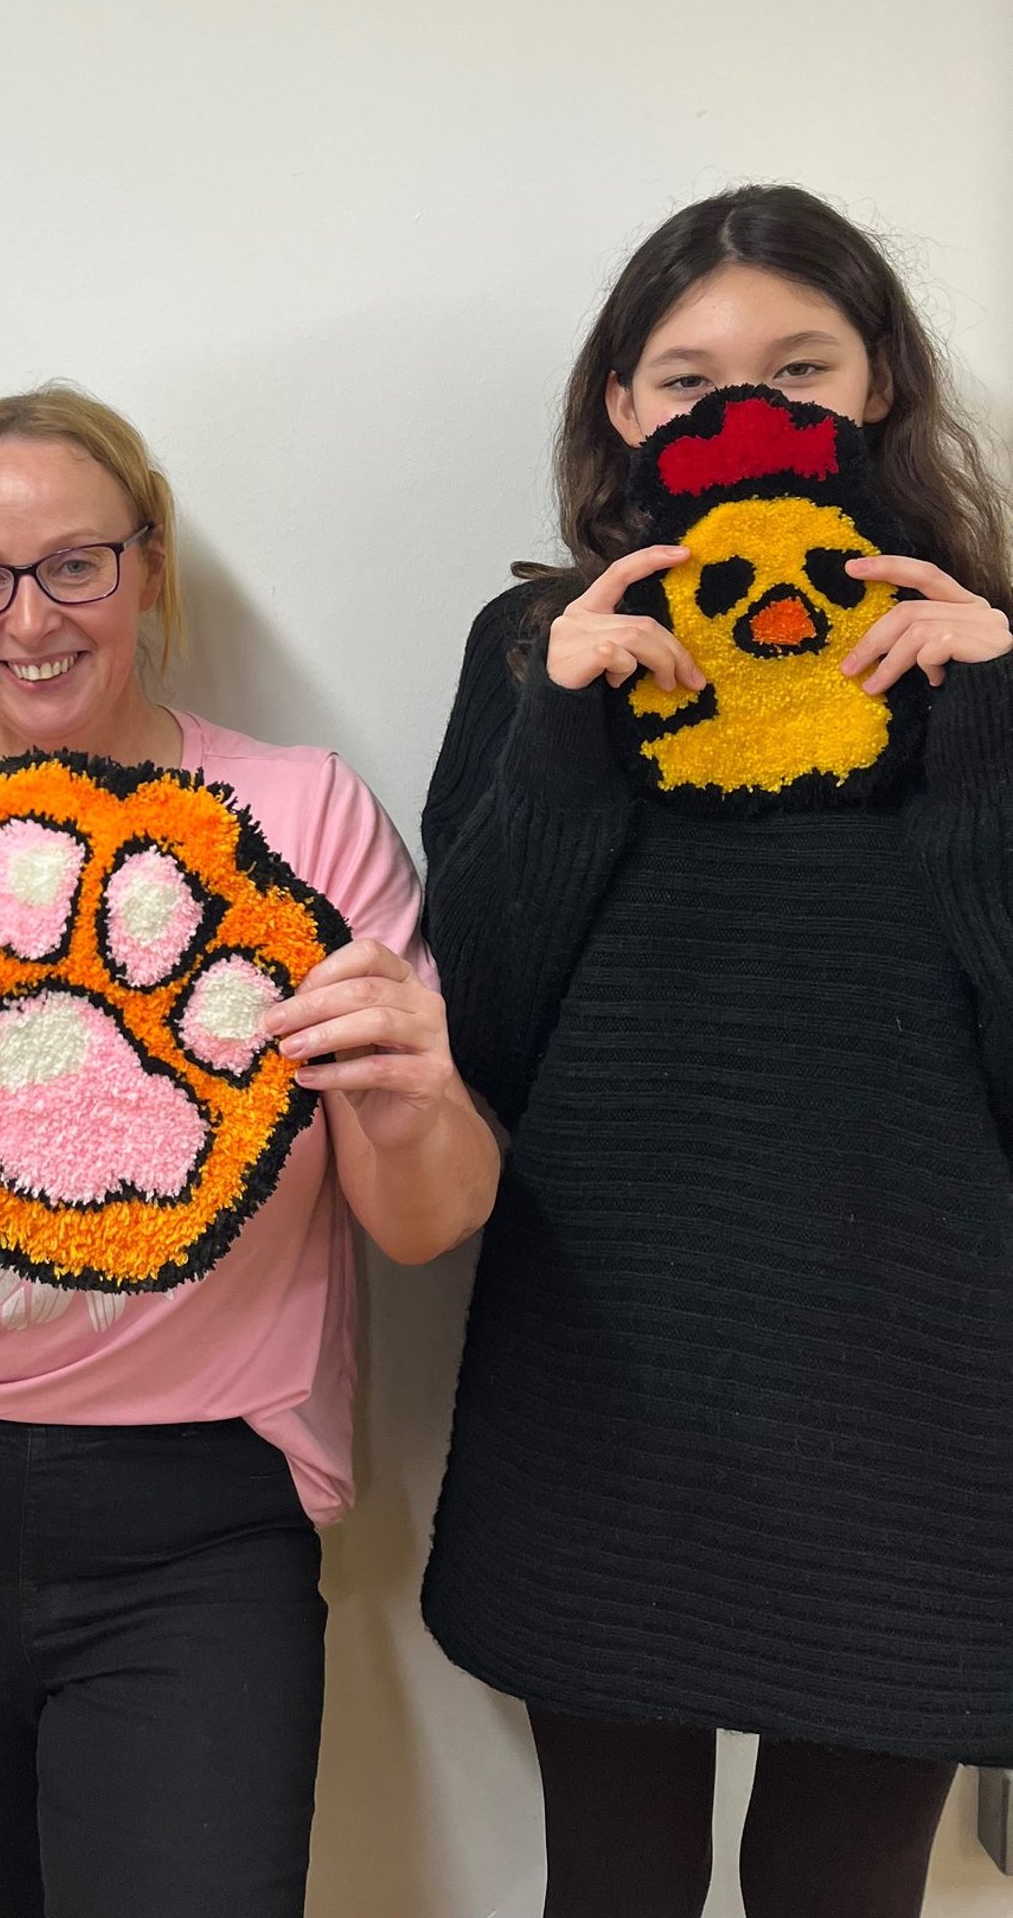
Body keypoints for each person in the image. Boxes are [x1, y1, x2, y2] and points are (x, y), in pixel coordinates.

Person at [0, 383, 500, 1918]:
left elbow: (423, 1224)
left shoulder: (297, 820)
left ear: (150, 563)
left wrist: (413, 1089)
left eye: (75, 564)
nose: (31, 618)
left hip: (201, 1519)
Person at [419, 185, 1013, 1918]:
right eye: (687, 378)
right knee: (614, 1884)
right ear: (622, 405)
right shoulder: (538, 649)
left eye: (799, 367)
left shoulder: (984, 646)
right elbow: (483, 1038)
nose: (745, 410)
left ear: (880, 380)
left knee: (844, 1891)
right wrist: (564, 736)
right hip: (612, 1357)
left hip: (913, 1380)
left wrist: (988, 741)